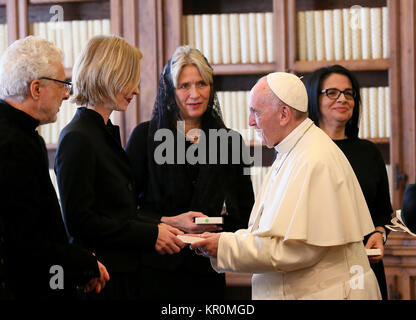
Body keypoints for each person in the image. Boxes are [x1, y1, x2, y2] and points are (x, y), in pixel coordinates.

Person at [191, 72, 381, 300]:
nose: (250, 122)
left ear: (283, 114)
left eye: (256, 112)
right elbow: (272, 233)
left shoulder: (313, 158)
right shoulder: (292, 150)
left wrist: (224, 246)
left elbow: (296, 250)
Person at [54, 35, 185, 300]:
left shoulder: (103, 133)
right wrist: (150, 234)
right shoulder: (77, 137)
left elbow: (117, 211)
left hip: (125, 277)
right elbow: (81, 223)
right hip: (102, 282)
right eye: (130, 79)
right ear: (107, 75)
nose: (136, 90)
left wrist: (163, 222)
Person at [125, 45, 254, 300]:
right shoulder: (144, 137)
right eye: (184, 86)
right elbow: (125, 210)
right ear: (171, 92)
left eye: (202, 84)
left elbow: (244, 215)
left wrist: (207, 225)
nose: (195, 94)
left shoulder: (230, 142)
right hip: (153, 271)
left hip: (207, 272)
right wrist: (170, 223)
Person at [0, 36, 109, 299]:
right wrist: (84, 265)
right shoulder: (12, 145)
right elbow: (26, 242)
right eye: (62, 84)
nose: (66, 93)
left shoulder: (22, 136)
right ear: (36, 89)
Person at [304, 65, 393, 300]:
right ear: (314, 99)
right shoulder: (301, 152)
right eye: (332, 92)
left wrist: (379, 233)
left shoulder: (369, 152)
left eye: (349, 93)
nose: (342, 99)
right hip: (317, 271)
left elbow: (383, 213)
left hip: (364, 266)